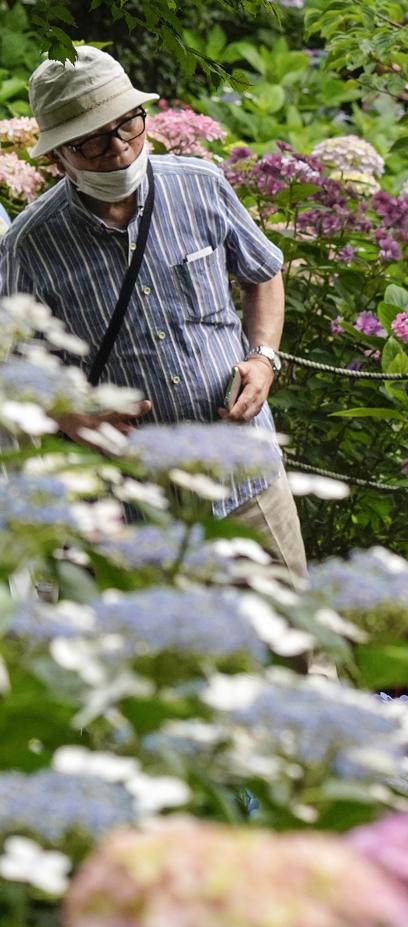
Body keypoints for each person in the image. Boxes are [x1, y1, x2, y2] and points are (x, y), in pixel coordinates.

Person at [1, 45, 305, 572]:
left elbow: (264, 273)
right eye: (92, 142)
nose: (118, 149)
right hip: (134, 508)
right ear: (57, 156)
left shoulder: (200, 186)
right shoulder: (30, 244)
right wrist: (70, 416)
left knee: (294, 647)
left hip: (245, 479)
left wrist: (263, 358)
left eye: (127, 126)